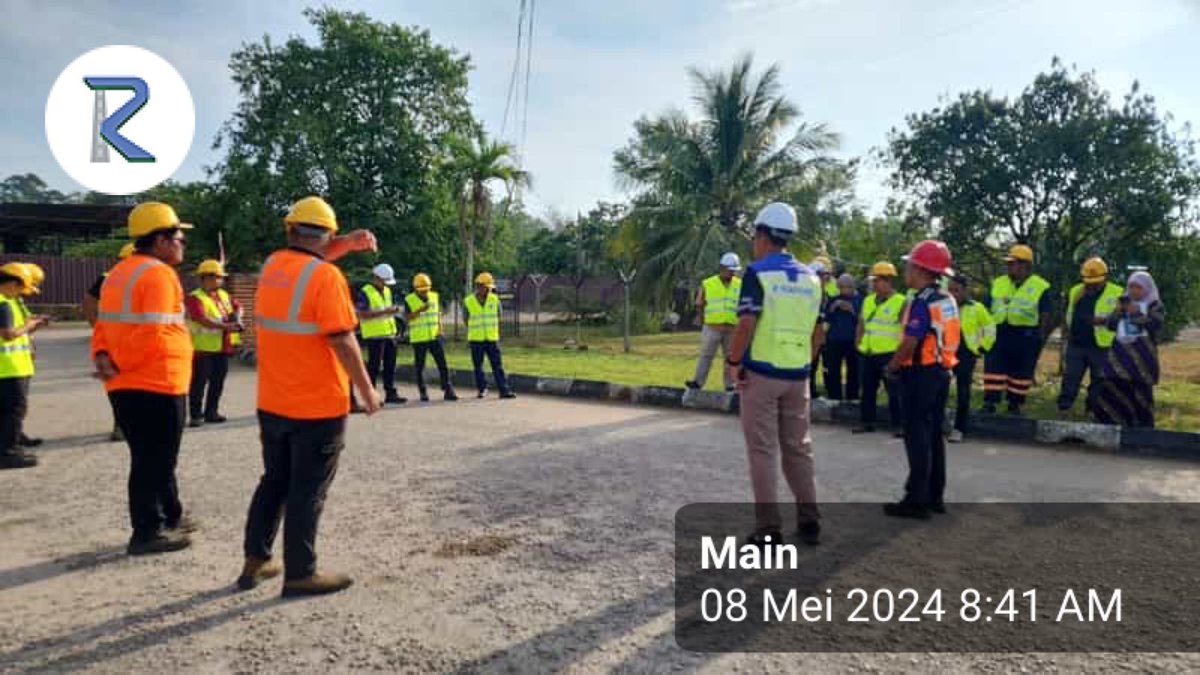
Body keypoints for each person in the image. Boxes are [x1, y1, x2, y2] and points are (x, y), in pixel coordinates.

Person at [237, 196, 383, 597]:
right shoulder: (326, 279)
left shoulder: (272, 268)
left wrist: (346, 244)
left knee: (275, 482)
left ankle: (256, 559)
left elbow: (311, 257)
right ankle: (301, 572)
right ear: (329, 235)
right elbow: (342, 339)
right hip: (318, 406)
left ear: (289, 230)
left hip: (273, 401)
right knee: (308, 490)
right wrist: (367, 391)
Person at [92, 202, 195, 556]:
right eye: (179, 237)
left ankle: (170, 516)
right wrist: (122, 363)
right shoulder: (159, 275)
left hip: (125, 383)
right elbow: (154, 333)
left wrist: (104, 357)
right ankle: (147, 532)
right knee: (155, 461)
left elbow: (103, 325)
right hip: (156, 381)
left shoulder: (119, 273)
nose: (183, 243)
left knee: (149, 456)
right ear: (161, 239)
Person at [726, 202, 825, 547]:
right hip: (798, 376)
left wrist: (734, 360)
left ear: (763, 235)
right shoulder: (813, 279)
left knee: (763, 451)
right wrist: (805, 362)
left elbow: (746, 323)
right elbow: (818, 331)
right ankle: (810, 521)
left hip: (761, 374)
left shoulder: (757, 274)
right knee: (799, 448)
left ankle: (768, 529)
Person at [884, 241, 960, 520]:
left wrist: (892, 366)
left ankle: (916, 500)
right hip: (942, 371)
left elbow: (910, 342)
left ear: (920, 269)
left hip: (921, 374)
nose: (906, 270)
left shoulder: (922, 301)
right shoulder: (946, 299)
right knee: (933, 436)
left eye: (909, 265)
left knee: (917, 437)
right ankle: (934, 496)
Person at [982, 244, 1052, 416]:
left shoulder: (1040, 286)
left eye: (1013, 263)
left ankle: (1015, 405)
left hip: (1025, 335)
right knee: (993, 369)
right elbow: (986, 307)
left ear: (1025, 265)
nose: (1009, 267)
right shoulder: (998, 283)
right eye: (1009, 263)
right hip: (999, 332)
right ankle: (990, 403)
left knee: (1021, 372)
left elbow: (1046, 312)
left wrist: (1040, 336)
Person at [1093, 272, 1166, 428]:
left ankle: (1141, 433)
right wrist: (1118, 312)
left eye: (1138, 287)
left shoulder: (1155, 304)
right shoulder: (1124, 302)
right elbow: (1112, 325)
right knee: (1111, 389)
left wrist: (1136, 313)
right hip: (1118, 358)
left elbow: (1156, 324)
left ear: (1146, 288)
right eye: (1131, 287)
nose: (1133, 291)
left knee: (1140, 395)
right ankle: (1110, 428)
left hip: (1142, 360)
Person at [1057, 258, 1122, 418]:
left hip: (1102, 346)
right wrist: (1067, 331)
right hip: (1077, 344)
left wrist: (1104, 321)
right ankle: (1064, 408)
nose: (1091, 285)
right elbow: (1069, 313)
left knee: (1099, 381)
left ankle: (1092, 410)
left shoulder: (1118, 293)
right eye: (1088, 281)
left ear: (1105, 277)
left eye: (1096, 282)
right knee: (1071, 378)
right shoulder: (1076, 291)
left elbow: (1120, 319)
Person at [85, 243, 134, 442]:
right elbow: (89, 302)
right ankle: (121, 425)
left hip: (135, 339)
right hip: (118, 340)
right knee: (119, 383)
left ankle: (128, 424)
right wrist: (98, 328)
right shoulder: (109, 278)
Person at [185, 260, 242, 427]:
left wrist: (237, 318)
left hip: (222, 347)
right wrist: (226, 326)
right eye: (215, 277)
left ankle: (212, 412)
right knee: (198, 383)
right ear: (203, 278)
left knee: (218, 382)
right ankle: (196, 415)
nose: (219, 280)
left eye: (220, 277)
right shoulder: (195, 297)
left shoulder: (223, 295)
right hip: (202, 349)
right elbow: (200, 318)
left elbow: (237, 306)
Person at [0, 263, 46, 470]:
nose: (22, 293)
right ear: (10, 284)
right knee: (13, 410)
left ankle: (10, 445)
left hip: (10, 367)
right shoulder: (4, 304)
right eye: (20, 288)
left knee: (8, 410)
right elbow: (9, 334)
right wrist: (28, 326)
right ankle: (8, 453)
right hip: (9, 367)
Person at [854, 262, 905, 435]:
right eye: (873, 281)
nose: (873, 284)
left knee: (894, 392)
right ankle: (867, 422)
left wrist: (900, 356)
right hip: (868, 352)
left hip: (889, 354)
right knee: (867, 390)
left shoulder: (901, 302)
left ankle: (899, 425)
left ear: (888, 281)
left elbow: (905, 331)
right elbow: (862, 323)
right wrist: (858, 344)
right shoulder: (868, 300)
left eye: (877, 281)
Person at [948, 275, 995, 443]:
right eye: (950, 290)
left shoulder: (977, 308)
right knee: (939, 389)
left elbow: (990, 327)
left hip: (966, 353)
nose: (953, 294)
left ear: (965, 291)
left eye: (956, 290)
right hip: (945, 352)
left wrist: (983, 347)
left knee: (963, 391)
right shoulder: (944, 306)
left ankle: (959, 428)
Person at [685, 252, 742, 392]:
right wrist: (703, 320)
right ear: (722, 268)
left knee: (730, 358)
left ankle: (730, 385)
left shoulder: (740, 284)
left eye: (734, 271)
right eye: (730, 270)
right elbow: (699, 303)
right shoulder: (708, 283)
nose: (733, 273)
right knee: (706, 356)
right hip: (712, 327)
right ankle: (698, 382)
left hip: (731, 328)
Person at [404, 273, 458, 402]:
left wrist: (441, 329)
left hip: (435, 335)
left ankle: (448, 389)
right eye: (422, 291)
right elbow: (407, 318)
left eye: (427, 290)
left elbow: (437, 314)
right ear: (416, 289)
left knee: (442, 363)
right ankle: (423, 391)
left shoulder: (434, 296)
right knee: (420, 366)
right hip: (419, 338)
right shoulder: (409, 300)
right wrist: (420, 310)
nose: (425, 293)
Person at [356, 263, 406, 405]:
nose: (386, 284)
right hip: (374, 336)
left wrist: (392, 311)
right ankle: (371, 396)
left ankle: (390, 393)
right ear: (376, 278)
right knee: (374, 367)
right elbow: (362, 314)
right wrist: (385, 312)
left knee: (390, 366)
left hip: (389, 334)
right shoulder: (365, 292)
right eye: (384, 281)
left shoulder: (387, 291)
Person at [465, 272, 515, 399]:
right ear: (478, 286)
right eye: (485, 287)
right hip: (476, 339)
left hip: (492, 338)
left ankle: (503, 390)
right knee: (478, 366)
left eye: (488, 288)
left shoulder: (494, 299)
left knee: (497, 366)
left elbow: (499, 315)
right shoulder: (468, 301)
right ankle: (482, 389)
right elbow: (465, 319)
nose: (487, 290)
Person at [15, 263, 47, 448]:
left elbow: (27, 322)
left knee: (18, 403)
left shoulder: (16, 301)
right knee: (13, 404)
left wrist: (38, 322)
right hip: (10, 364)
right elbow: (12, 331)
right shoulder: (6, 301)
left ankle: (15, 433)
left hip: (20, 360)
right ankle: (10, 439)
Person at [822, 273, 862, 401]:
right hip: (834, 339)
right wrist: (833, 308)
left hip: (852, 339)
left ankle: (852, 397)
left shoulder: (861, 300)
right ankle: (835, 397)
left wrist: (852, 310)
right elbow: (826, 318)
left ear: (853, 287)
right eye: (841, 287)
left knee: (853, 370)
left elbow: (863, 321)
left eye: (847, 287)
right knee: (833, 370)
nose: (844, 290)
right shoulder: (834, 299)